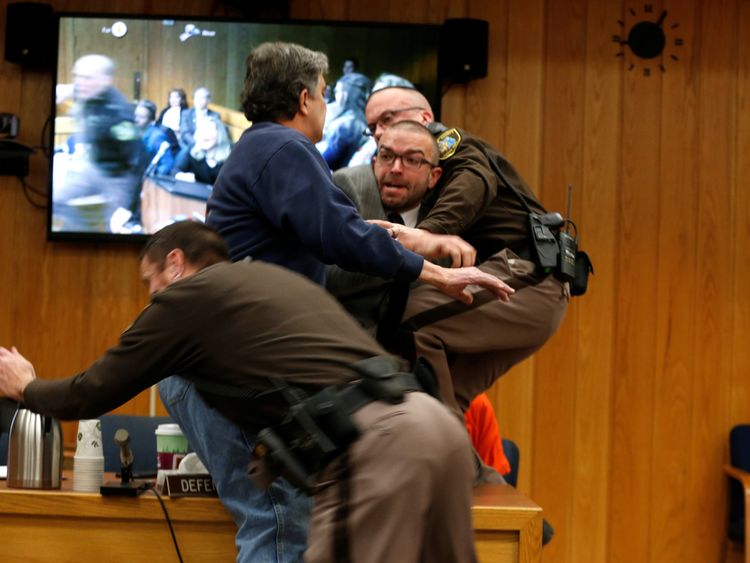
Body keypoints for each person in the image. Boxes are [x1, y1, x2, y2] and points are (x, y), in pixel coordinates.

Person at [160, 41, 512, 561]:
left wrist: (420, 252)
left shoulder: (262, 149)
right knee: (280, 524)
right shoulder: (285, 148)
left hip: (216, 362)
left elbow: (337, 230)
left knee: (284, 521)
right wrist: (434, 272)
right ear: (304, 100)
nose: (327, 106)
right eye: (325, 96)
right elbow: (340, 237)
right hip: (231, 366)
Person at [0, 221, 478, 563]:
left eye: (150, 282)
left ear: (175, 262)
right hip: (435, 427)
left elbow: (93, 391)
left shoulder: (187, 300)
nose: (151, 296)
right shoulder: (271, 282)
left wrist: (27, 386)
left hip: (374, 452)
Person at [329, 94, 569, 420]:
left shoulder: (455, 146)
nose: (381, 132)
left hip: (529, 276)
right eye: (373, 128)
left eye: (387, 119)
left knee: (410, 320)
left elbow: (476, 179)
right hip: (524, 287)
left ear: (425, 118)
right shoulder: (364, 184)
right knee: (436, 400)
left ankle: (437, 441)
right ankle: (462, 467)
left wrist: (428, 234)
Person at [52, 54, 144, 233]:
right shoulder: (88, 90)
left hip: (117, 176)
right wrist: (68, 89)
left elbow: (137, 161)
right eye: (76, 76)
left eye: (86, 78)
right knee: (55, 200)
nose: (80, 83)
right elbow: (79, 88)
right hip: (93, 166)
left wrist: (127, 208)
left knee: (113, 225)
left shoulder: (119, 114)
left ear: (105, 80)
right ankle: (79, 230)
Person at [316, 72, 371, 170]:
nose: (336, 96)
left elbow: (323, 161)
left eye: (338, 91)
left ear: (345, 95)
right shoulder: (366, 122)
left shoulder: (348, 125)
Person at [173, 115, 231, 184]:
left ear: (219, 135)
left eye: (208, 131)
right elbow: (175, 170)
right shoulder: (192, 150)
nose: (204, 135)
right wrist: (181, 175)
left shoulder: (231, 156)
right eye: (201, 131)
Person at [134, 100, 179, 177]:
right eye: (135, 115)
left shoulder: (157, 137)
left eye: (141, 117)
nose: (136, 120)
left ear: (151, 120)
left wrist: (153, 177)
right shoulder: (134, 132)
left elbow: (167, 163)